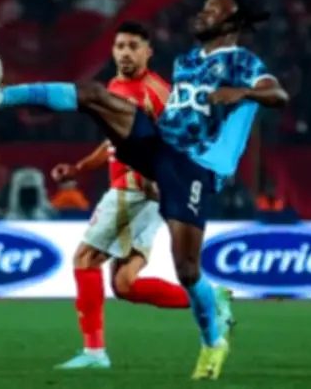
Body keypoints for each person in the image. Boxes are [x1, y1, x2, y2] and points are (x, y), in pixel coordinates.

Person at [0, 0, 288, 380]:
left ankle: (212, 341)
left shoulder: (241, 62)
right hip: (160, 148)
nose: (201, 15)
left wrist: (244, 93)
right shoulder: (187, 61)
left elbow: (277, 94)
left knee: (187, 270)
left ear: (231, 23)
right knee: (93, 95)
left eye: (212, 12)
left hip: (195, 168)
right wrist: (99, 159)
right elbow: (174, 116)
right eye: (203, 9)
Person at [49, 22, 195, 370]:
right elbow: (114, 143)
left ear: (148, 52)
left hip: (135, 190)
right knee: (125, 284)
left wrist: (163, 181)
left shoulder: (157, 93)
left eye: (133, 46)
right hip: (138, 193)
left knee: (85, 259)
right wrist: (80, 168)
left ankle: (94, 353)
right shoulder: (115, 87)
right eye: (120, 46)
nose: (126, 53)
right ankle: (207, 300)